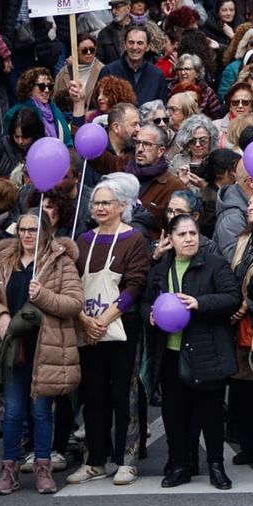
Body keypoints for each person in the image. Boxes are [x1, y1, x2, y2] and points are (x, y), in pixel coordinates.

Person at [0, 207, 83, 496]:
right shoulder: (3, 259)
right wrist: (0, 314)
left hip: (47, 345)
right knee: (13, 412)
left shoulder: (60, 261)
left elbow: (74, 303)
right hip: (15, 347)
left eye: (34, 230)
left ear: (45, 232)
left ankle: (42, 468)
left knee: (41, 412)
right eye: (23, 230)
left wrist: (44, 296)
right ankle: (9, 469)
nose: (28, 235)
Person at [64, 182, 151, 487]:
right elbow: (71, 283)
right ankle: (94, 461)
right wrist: (85, 319)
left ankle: (127, 460)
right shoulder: (83, 241)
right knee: (93, 395)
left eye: (107, 203)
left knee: (123, 395)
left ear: (121, 206)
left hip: (122, 327)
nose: (100, 208)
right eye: (96, 203)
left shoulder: (134, 239)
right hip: (87, 326)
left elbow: (136, 284)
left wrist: (104, 318)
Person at [144, 212, 239, 490]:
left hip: (206, 350)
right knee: (175, 413)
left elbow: (232, 297)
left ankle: (216, 466)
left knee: (210, 412)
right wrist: (149, 314)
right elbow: (146, 301)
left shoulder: (214, 264)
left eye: (193, 234)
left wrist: (200, 303)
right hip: (170, 353)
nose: (188, 239)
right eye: (182, 234)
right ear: (170, 240)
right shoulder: (161, 269)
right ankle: (180, 465)